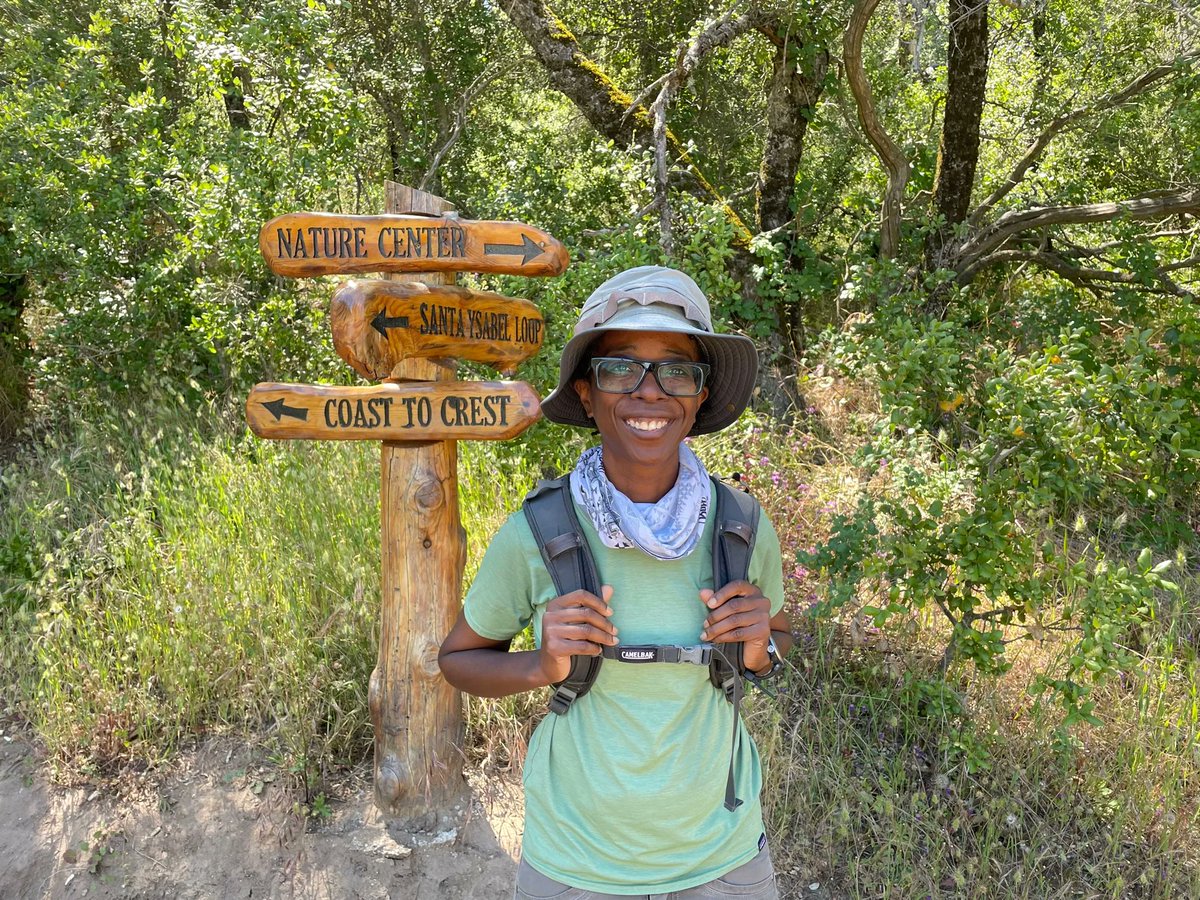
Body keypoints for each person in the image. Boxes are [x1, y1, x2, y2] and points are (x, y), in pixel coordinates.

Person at [438, 266, 792, 898]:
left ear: (702, 395)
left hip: (726, 859)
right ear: (586, 390)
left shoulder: (741, 525)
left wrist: (763, 649)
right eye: (620, 367)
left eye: (676, 369)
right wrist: (542, 666)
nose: (649, 392)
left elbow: (781, 635)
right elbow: (460, 660)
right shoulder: (538, 531)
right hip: (575, 864)